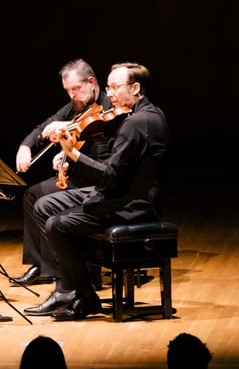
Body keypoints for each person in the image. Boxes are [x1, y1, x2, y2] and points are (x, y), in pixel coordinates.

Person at [25, 61, 170, 320]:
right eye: (108, 87)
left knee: (57, 225)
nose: (110, 94)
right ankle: (69, 287)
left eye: (115, 87)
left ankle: (83, 293)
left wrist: (73, 153)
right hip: (120, 192)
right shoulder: (142, 115)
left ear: (135, 88)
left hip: (130, 204)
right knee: (44, 204)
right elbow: (114, 168)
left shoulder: (137, 122)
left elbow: (111, 176)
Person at [10, 58, 113, 287]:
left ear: (92, 82)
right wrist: (25, 147)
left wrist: (70, 158)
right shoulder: (75, 107)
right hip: (78, 177)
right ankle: (42, 265)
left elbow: (106, 164)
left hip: (97, 183)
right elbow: (43, 127)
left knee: (46, 201)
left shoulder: (110, 112)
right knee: (32, 194)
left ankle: (74, 271)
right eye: (68, 90)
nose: (72, 95)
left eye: (76, 88)